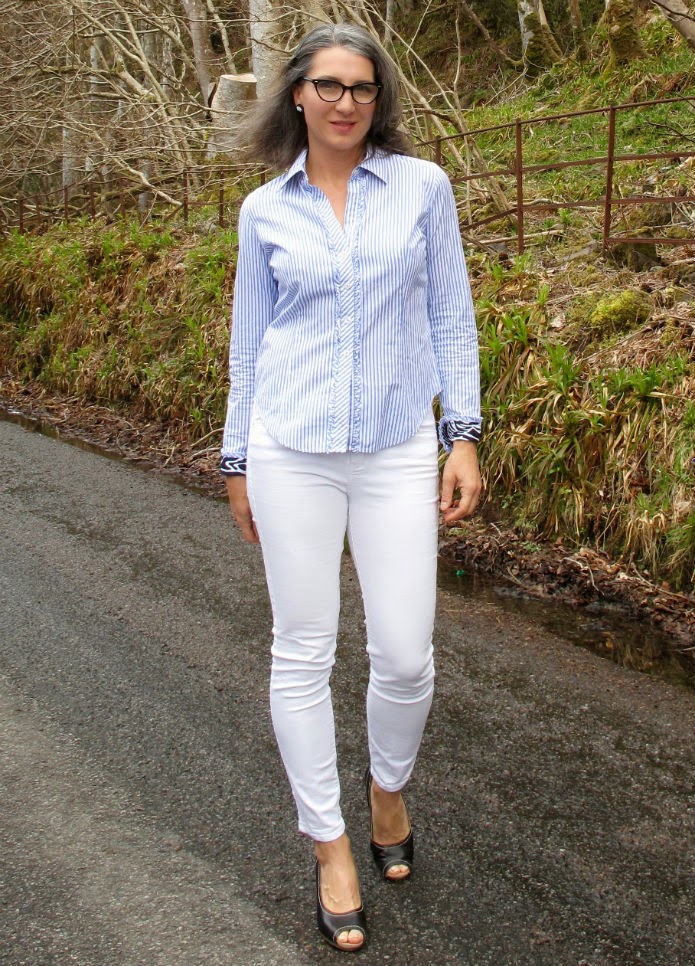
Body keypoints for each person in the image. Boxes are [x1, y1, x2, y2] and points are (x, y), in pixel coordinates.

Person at [220, 21, 482, 952]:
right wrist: (235, 460)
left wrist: (462, 436)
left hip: (395, 446)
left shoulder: (421, 188)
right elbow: (249, 344)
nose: (344, 102)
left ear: (380, 99)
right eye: (327, 85)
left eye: (361, 88)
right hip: (287, 446)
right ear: (297, 94)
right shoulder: (263, 210)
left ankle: (386, 788)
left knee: (405, 654)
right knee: (302, 650)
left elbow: (450, 315)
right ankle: (328, 844)